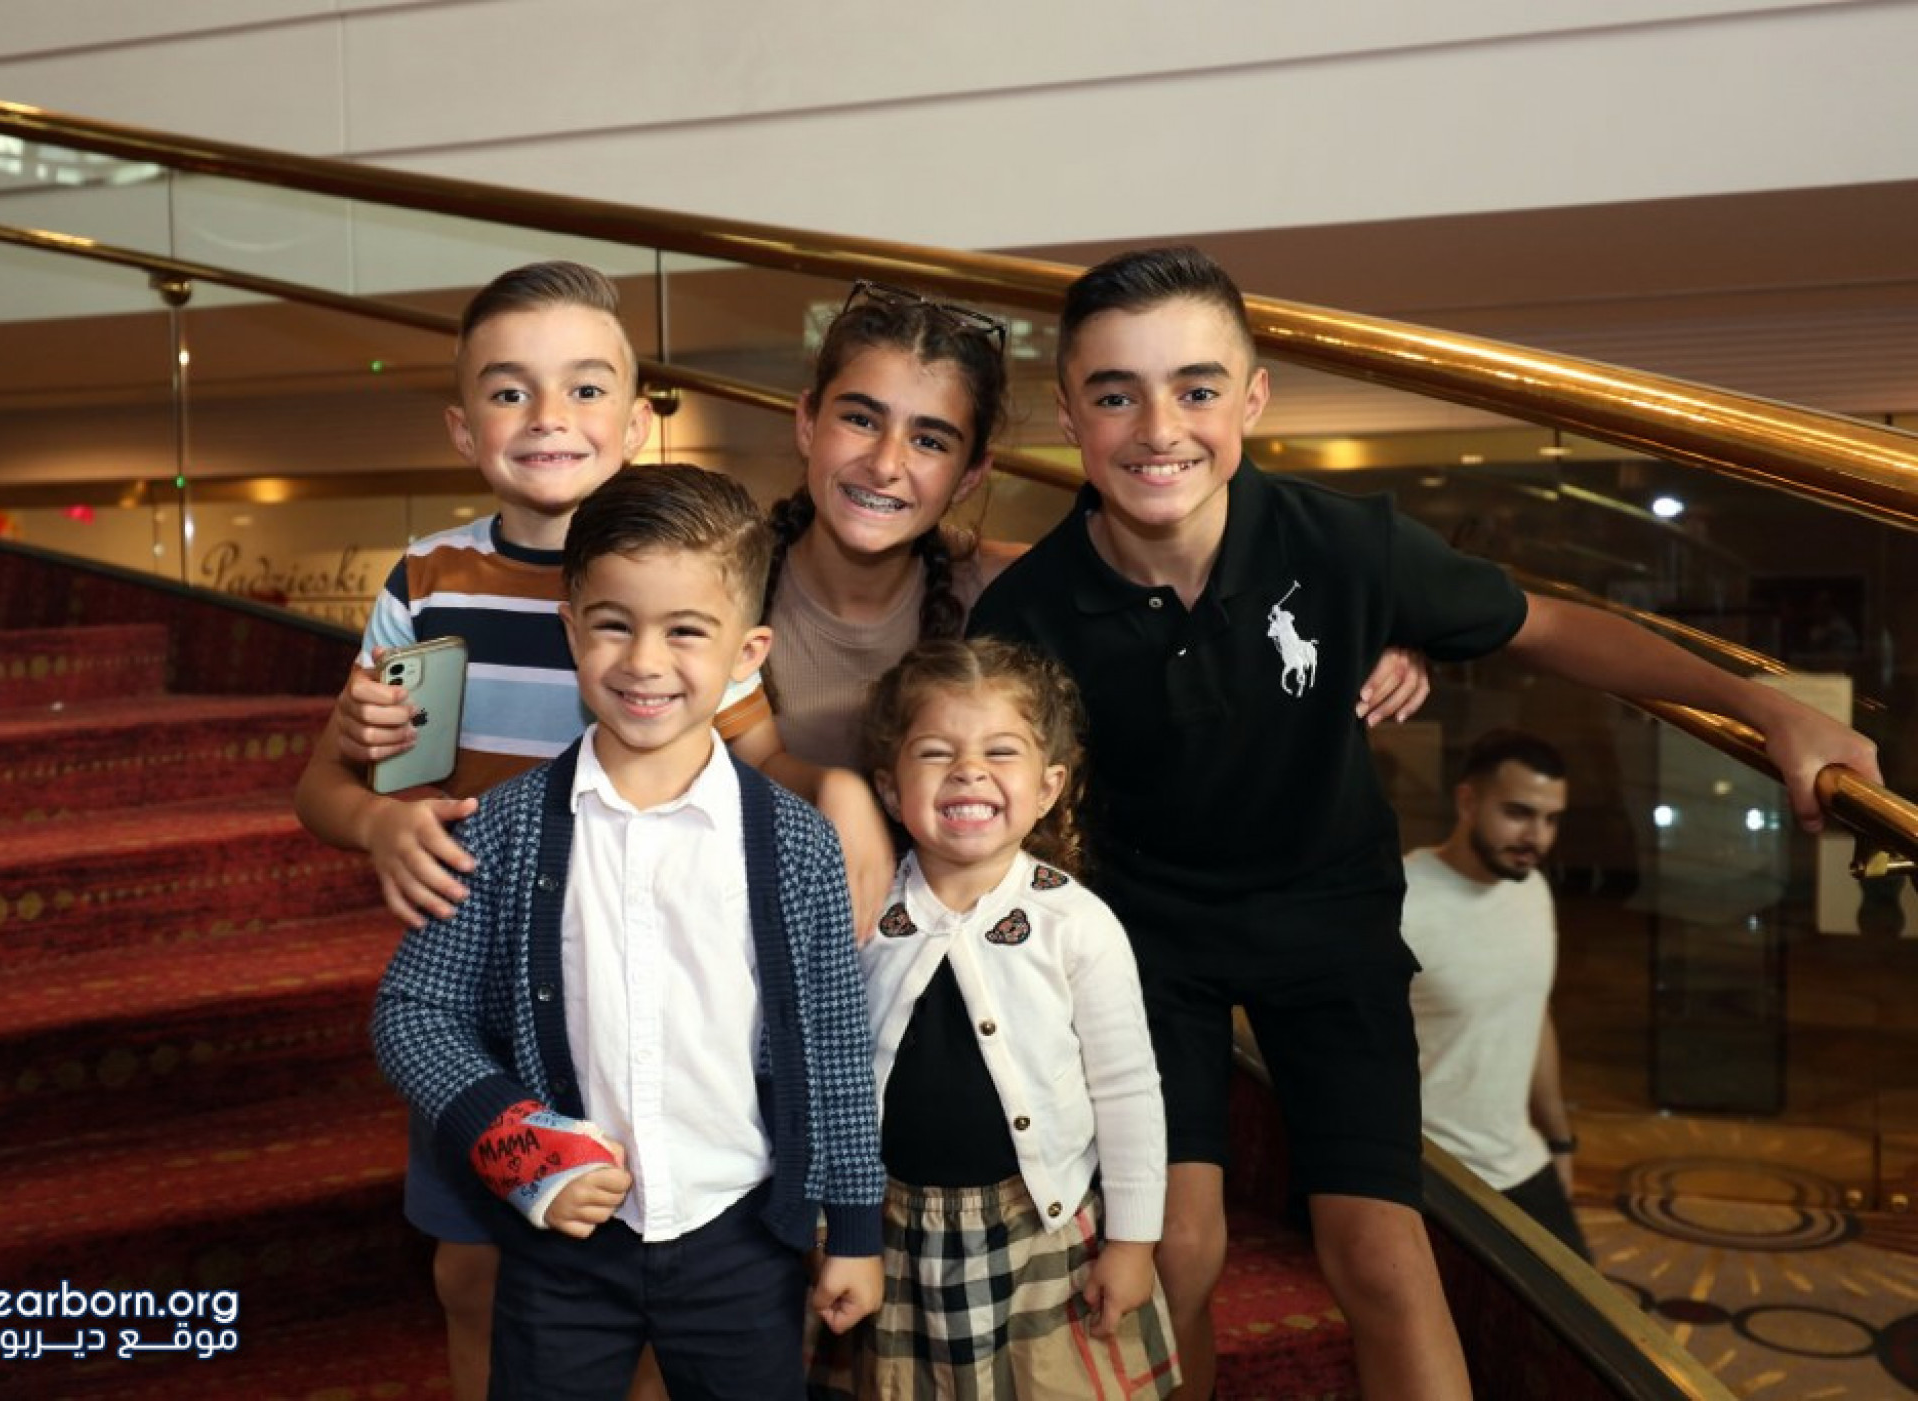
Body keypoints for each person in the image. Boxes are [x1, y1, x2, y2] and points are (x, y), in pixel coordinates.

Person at [965, 245, 1881, 1400]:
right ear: (1068, 415)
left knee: (1383, 1256)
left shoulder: (1345, 546)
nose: (1159, 427)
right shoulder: (1032, 608)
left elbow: (1553, 627)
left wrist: (1768, 707)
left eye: (1197, 388)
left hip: (1330, 926)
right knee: (1178, 1249)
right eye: (1115, 394)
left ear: (1253, 399)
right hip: (1149, 944)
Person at [290, 262, 883, 1401]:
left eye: (584, 387)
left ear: (637, 417)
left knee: (653, 1272)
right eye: (511, 392)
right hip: (482, 968)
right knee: (480, 1277)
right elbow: (330, 784)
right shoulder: (433, 580)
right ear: (463, 425)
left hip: (648, 967)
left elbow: (759, 762)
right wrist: (377, 821)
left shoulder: (689, 575)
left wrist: (838, 794)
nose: (548, 416)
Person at [729, 277, 1429, 782]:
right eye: (860, 419)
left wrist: (1385, 637)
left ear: (971, 474)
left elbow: (1201, 629)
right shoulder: (720, 582)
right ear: (806, 422)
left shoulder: (1020, 594)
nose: (886, 464)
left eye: (931, 441)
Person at [812, 637, 1179, 1399]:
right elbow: (826, 1074)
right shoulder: (863, 910)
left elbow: (1127, 1090)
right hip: (892, 1232)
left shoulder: (1075, 923)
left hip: (1041, 1231)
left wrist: (1134, 1241)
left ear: (1047, 787)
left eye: (1000, 751)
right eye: (936, 751)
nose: (969, 770)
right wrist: (830, 1220)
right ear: (889, 788)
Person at [1402, 730, 1589, 1261]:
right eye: (1518, 813)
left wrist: (1558, 1141)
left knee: (1584, 1307)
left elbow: (1532, 1015)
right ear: (1468, 801)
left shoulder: (1532, 889)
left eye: (1551, 819)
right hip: (1429, 1173)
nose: (1538, 837)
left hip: (1518, 1161)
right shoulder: (1401, 901)